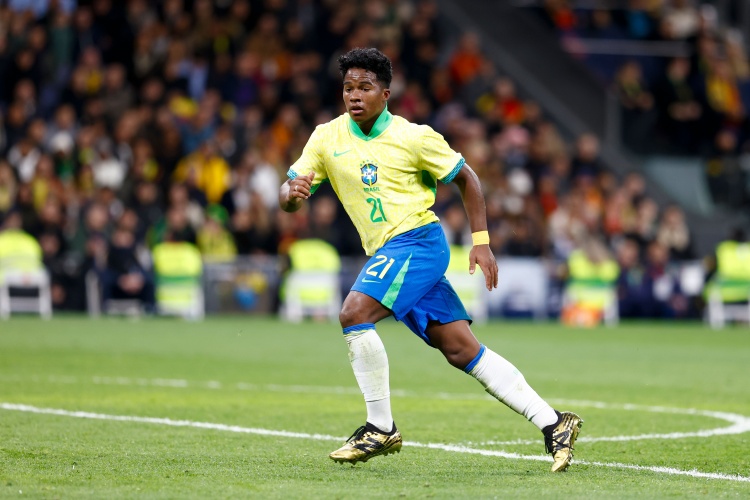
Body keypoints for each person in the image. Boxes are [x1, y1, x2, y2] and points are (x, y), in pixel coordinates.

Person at [278, 48, 582, 472]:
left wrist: (481, 241)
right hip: (390, 252)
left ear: (385, 93)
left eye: (365, 87)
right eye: (348, 88)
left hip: (417, 242)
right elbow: (291, 189)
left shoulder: (414, 137)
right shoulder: (327, 137)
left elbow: (466, 178)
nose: (354, 96)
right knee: (460, 349)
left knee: (354, 314)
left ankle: (380, 426)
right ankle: (554, 423)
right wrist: (291, 196)